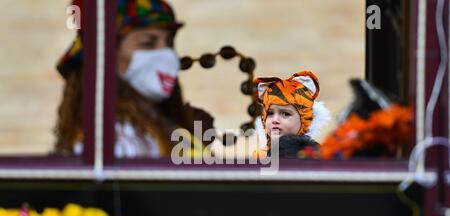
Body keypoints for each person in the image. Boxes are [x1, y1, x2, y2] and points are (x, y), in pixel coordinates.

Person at [54, 0, 214, 158]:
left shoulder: (149, 124)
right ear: (107, 55)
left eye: (169, 43)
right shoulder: (115, 140)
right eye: (147, 43)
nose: (168, 56)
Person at [253, 70, 330, 159]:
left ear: (305, 120)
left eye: (285, 114)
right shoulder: (259, 157)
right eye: (270, 113)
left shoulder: (315, 155)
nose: (275, 120)